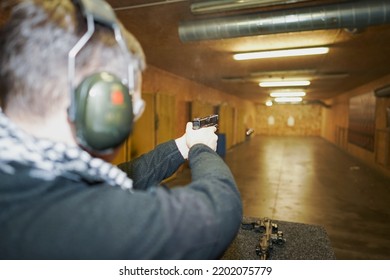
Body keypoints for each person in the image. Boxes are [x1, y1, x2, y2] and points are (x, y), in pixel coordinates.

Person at [0, 0, 242, 259]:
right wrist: (202, 149)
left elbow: (123, 177)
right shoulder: (72, 222)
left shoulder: (24, 179)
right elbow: (219, 209)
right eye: (129, 109)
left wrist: (184, 145)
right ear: (100, 107)